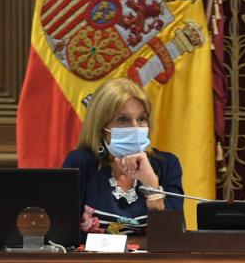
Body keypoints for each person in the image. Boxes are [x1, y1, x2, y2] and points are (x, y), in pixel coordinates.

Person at [62, 78, 183, 235]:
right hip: (92, 259)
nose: (135, 128)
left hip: (149, 260)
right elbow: (63, 236)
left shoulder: (167, 164)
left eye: (141, 119)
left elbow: (173, 239)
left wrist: (152, 186)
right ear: (101, 127)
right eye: (123, 120)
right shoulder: (80, 163)